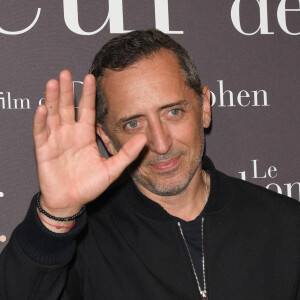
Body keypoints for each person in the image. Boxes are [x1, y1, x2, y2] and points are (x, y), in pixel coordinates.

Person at [0, 29, 300, 300]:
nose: (160, 143)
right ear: (105, 136)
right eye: (133, 123)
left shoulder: (286, 225)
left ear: (204, 107)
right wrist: (56, 218)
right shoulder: (81, 243)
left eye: (173, 112)